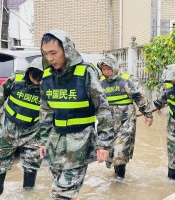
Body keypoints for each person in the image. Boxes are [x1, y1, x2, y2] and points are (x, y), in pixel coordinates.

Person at [39, 29, 114, 200]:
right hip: (55, 143)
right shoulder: (48, 76)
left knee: (60, 193)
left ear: (67, 50)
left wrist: (104, 143)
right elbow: (46, 110)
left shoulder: (85, 73)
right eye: (45, 54)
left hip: (81, 142)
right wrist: (43, 140)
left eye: (54, 53)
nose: (50, 58)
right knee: (68, 191)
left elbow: (102, 107)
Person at [97, 54, 153, 179]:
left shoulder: (127, 80)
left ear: (115, 67)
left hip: (126, 122)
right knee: (110, 152)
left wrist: (148, 114)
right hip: (108, 123)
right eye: (103, 69)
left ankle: (120, 181)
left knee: (120, 151)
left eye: (108, 69)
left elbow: (140, 97)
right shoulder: (100, 82)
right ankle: (117, 174)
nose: (106, 72)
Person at [0, 57, 43, 194]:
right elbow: (1, 95)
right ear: (29, 72)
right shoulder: (16, 79)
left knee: (31, 165)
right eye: (34, 77)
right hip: (9, 129)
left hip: (33, 132)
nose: (36, 82)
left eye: (40, 78)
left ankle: (28, 194)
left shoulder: (48, 87)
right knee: (1, 164)